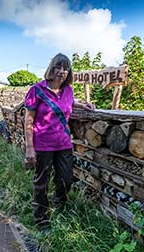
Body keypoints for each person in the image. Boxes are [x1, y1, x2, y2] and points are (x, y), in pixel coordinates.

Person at [24, 53, 94, 231]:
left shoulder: (68, 90)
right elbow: (28, 120)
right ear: (52, 68)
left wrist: (83, 105)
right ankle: (41, 219)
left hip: (64, 144)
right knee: (42, 183)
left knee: (66, 180)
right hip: (43, 145)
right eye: (58, 67)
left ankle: (59, 207)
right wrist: (29, 148)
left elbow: (70, 102)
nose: (61, 71)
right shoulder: (37, 90)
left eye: (65, 68)